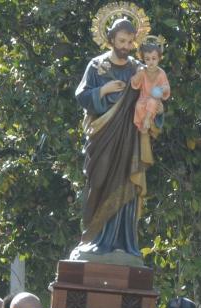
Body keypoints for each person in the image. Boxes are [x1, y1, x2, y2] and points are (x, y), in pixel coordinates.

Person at [72, 17, 149, 261]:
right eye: (121, 40)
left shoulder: (139, 68)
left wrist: (157, 101)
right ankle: (93, 237)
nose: (126, 45)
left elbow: (156, 90)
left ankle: (122, 243)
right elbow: (81, 95)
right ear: (111, 40)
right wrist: (103, 90)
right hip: (102, 134)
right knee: (99, 181)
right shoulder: (96, 66)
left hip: (129, 136)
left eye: (129, 41)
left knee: (126, 184)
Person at [130, 37, 171, 132]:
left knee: (152, 101)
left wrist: (162, 89)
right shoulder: (142, 71)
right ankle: (142, 125)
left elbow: (166, 87)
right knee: (139, 106)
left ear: (159, 58)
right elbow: (135, 84)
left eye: (154, 58)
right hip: (143, 99)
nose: (151, 62)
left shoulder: (161, 73)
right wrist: (138, 74)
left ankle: (147, 119)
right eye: (147, 59)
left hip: (155, 100)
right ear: (143, 59)